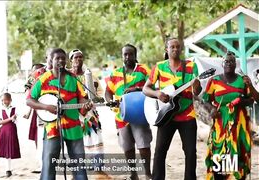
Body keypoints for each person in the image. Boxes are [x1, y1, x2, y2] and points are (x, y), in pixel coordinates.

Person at [26, 48, 92, 180]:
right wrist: (46, 107)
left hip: (74, 127)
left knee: (78, 163)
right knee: (49, 165)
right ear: (51, 60)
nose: (61, 60)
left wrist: (86, 105)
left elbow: (82, 99)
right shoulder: (43, 79)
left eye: (63, 58)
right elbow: (29, 100)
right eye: (57, 58)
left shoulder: (73, 78)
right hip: (52, 128)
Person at [143, 38, 201, 180]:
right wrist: (158, 94)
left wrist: (196, 85)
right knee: (160, 152)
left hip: (187, 115)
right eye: (172, 47)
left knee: (190, 152)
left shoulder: (191, 66)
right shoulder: (159, 67)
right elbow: (145, 88)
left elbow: (197, 92)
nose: (175, 49)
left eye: (177, 47)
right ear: (166, 49)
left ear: (181, 49)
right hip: (166, 115)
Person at [203, 52, 253, 179]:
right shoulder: (213, 81)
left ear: (235, 64)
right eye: (226, 61)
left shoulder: (243, 80)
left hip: (238, 122)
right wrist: (212, 109)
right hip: (220, 121)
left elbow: (251, 100)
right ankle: (219, 177)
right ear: (222, 63)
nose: (229, 63)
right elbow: (205, 100)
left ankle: (235, 177)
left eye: (232, 61)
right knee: (219, 152)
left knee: (236, 153)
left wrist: (242, 101)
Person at [105, 44, 152, 180]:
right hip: (122, 115)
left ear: (135, 55)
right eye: (125, 54)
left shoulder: (143, 70)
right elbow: (108, 92)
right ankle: (133, 174)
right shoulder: (115, 73)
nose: (127, 57)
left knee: (143, 144)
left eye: (130, 54)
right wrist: (110, 101)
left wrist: (136, 89)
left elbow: (152, 86)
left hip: (139, 113)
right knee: (127, 147)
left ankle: (147, 172)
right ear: (122, 56)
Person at [68, 49, 110, 178]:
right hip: (73, 114)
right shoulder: (67, 76)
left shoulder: (90, 75)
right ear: (70, 60)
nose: (78, 60)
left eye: (81, 57)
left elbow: (99, 93)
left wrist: (93, 99)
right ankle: (76, 171)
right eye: (75, 57)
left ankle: (98, 168)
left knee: (95, 138)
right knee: (75, 142)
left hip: (90, 115)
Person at [0, 92, 21, 177]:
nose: (4, 102)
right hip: (4, 131)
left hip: (12, 131)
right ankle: (4, 169)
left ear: (10, 100)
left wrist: (13, 119)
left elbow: (16, 120)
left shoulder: (15, 109)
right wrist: (10, 118)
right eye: (2, 100)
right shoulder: (0, 110)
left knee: (9, 150)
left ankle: (8, 169)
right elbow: (0, 122)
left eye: (6, 100)